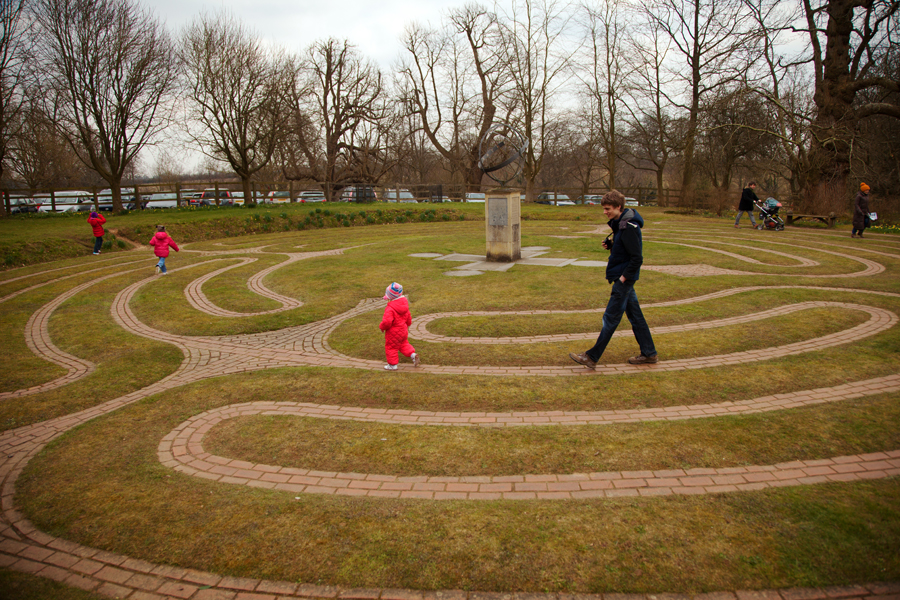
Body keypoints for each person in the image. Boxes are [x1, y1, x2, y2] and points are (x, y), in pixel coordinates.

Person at [570, 190, 658, 369]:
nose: (605, 212)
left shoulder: (628, 226)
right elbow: (625, 250)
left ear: (619, 207)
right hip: (622, 277)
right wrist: (612, 246)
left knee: (610, 318)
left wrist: (623, 278)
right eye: (603, 209)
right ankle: (649, 353)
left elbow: (637, 258)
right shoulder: (621, 223)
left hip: (623, 280)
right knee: (636, 317)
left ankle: (592, 357)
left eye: (608, 208)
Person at [379, 282, 419, 371]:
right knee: (403, 344)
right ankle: (412, 355)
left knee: (391, 347)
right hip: (403, 330)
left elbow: (387, 322)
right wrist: (408, 324)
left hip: (393, 333)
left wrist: (382, 327)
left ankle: (392, 365)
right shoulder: (404, 305)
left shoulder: (390, 308)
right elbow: (408, 317)